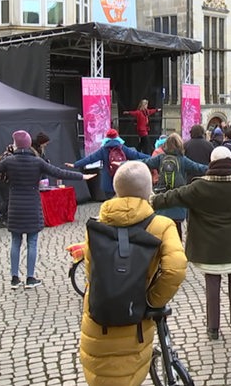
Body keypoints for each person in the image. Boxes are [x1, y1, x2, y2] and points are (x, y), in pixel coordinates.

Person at [80, 162, 187, 385]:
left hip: (98, 321)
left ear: (116, 189)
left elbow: (91, 270)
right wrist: (151, 300)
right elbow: (175, 268)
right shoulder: (161, 225)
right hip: (134, 321)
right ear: (149, 190)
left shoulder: (98, 225)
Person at [151, 146, 231, 340]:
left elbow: (174, 196)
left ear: (212, 163)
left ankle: (213, 328)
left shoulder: (199, 187)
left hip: (208, 246)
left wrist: (152, 201)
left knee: (212, 282)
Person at [0, 131, 95, 289]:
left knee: (15, 242)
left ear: (16, 144)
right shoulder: (37, 161)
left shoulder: (9, 161)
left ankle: (14, 279)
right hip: (32, 206)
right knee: (32, 242)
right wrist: (82, 177)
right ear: (29, 144)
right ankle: (30, 278)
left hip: (15, 206)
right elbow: (58, 172)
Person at [142, 133, 208, 240]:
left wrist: (123, 164)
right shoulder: (182, 160)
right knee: (177, 233)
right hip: (178, 201)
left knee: (161, 233)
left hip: (162, 201)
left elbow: (144, 163)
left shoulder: (160, 158)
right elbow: (199, 168)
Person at [67, 129, 149, 199]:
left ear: (107, 138)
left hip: (108, 181)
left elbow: (90, 159)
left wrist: (75, 164)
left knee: (110, 202)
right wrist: (152, 157)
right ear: (117, 137)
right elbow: (137, 155)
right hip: (121, 179)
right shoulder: (122, 148)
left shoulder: (103, 150)